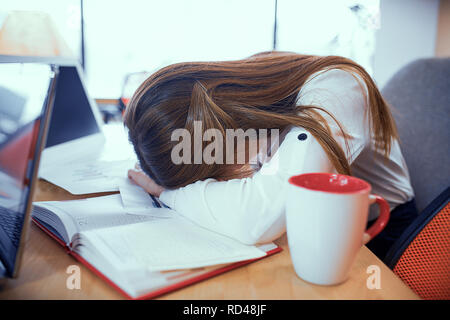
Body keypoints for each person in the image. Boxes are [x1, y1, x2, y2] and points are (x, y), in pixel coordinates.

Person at [124, 51, 417, 262]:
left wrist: (169, 194)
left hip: (381, 235)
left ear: (231, 125)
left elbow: (262, 217)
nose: (222, 183)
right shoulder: (258, 107)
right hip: (321, 221)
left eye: (216, 174)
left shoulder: (337, 88)